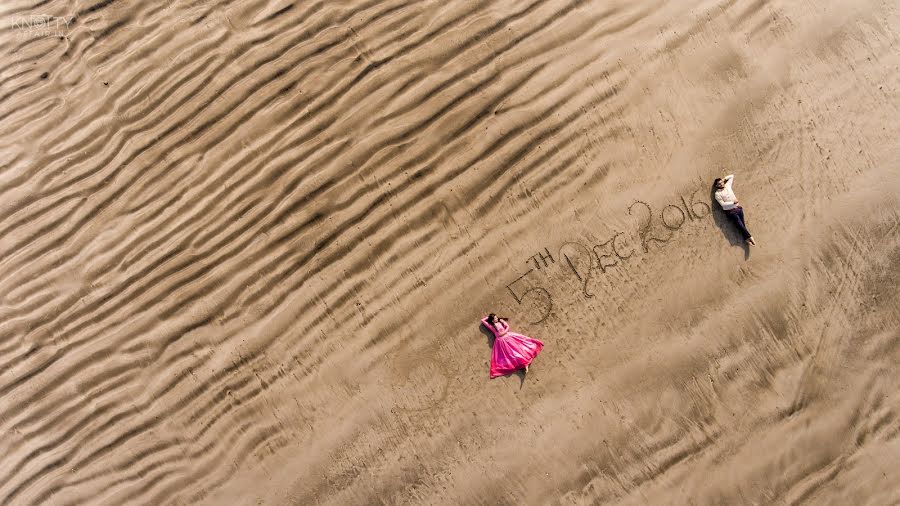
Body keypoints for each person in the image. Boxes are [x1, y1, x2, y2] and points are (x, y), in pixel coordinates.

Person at [481, 313, 544, 378]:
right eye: (495, 318)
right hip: (501, 342)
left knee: (518, 349)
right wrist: (489, 317)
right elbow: (483, 320)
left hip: (508, 337)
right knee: (510, 355)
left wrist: (502, 328)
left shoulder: (501, 322)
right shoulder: (492, 326)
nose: (497, 319)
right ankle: (524, 364)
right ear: (492, 320)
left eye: (497, 317)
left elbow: (507, 327)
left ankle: (525, 363)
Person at [714, 174, 755, 245]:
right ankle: (750, 237)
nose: (721, 184)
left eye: (721, 182)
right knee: (740, 225)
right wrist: (733, 202)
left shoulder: (727, 185)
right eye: (719, 184)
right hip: (731, 212)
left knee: (742, 225)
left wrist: (724, 179)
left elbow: (732, 176)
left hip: (738, 209)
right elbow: (723, 204)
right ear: (716, 186)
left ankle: (746, 238)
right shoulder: (717, 194)